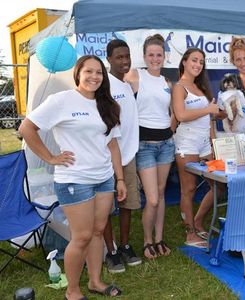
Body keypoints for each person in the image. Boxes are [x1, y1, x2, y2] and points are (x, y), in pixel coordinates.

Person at [18, 55, 124, 299]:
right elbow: (27, 128)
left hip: (104, 178)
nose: (94, 77)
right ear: (78, 73)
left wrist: (119, 179)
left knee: (98, 231)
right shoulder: (62, 100)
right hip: (75, 180)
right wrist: (51, 157)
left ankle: (95, 282)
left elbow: (113, 145)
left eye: (99, 72)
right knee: (82, 236)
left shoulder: (107, 104)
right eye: (89, 71)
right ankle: (72, 291)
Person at [125, 34, 176, 259]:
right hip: (144, 146)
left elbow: (173, 114)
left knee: (162, 194)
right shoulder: (135, 76)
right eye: (151, 55)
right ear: (144, 56)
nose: (155, 58)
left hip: (166, 144)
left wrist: (171, 129)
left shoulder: (168, 82)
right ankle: (147, 241)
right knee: (152, 198)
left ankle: (159, 238)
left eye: (159, 55)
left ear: (165, 56)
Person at [172, 48, 219, 248]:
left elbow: (209, 119)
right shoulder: (179, 87)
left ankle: (197, 221)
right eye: (194, 60)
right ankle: (190, 234)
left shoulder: (200, 87)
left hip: (204, 143)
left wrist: (213, 140)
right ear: (184, 62)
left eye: (201, 61)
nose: (198, 64)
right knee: (188, 190)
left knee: (218, 185)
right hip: (187, 143)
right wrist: (208, 109)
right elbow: (181, 115)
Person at [102, 39, 142, 273]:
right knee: (106, 208)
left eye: (127, 56)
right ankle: (112, 251)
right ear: (109, 59)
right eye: (119, 57)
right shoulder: (103, 85)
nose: (125, 61)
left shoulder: (126, 85)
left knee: (127, 204)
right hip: (107, 159)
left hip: (128, 156)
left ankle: (125, 245)